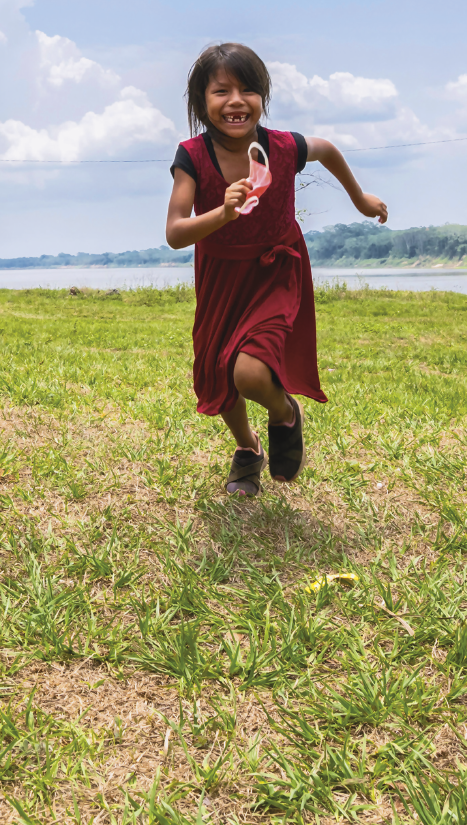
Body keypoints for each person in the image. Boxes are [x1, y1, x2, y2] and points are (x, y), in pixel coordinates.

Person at [165, 43, 387, 498]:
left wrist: (360, 200)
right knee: (217, 373)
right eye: (220, 90)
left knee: (247, 372)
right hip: (220, 278)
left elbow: (325, 149)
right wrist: (221, 215)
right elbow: (175, 231)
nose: (235, 100)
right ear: (201, 103)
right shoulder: (192, 156)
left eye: (248, 89)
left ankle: (283, 412)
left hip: (275, 271)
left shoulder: (282, 147)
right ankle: (248, 451)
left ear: (262, 97)